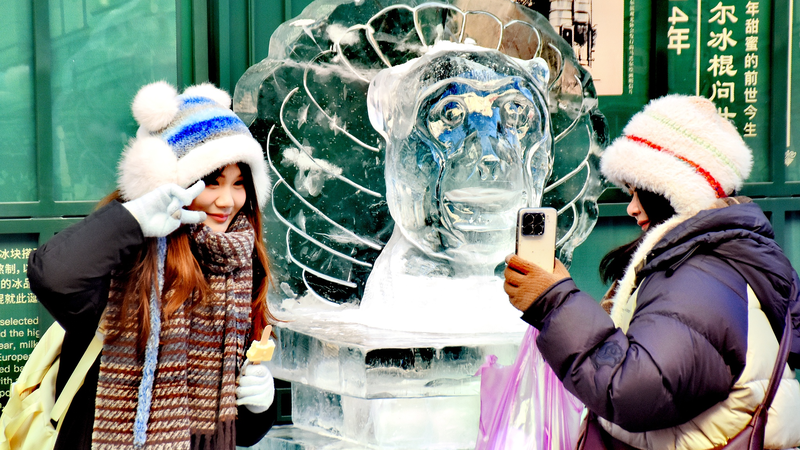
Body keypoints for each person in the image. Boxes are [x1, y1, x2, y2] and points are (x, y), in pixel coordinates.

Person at [503, 94, 800, 449]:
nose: (631, 208)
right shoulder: (711, 261)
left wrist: (554, 303)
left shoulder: (701, 274)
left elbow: (636, 389)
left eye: (639, 192)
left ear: (673, 190)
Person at [28, 81, 277, 450]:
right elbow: (53, 276)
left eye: (239, 184)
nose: (227, 201)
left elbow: (241, 433)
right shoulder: (126, 258)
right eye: (212, 183)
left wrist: (260, 406)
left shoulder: (238, 265)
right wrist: (130, 219)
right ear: (172, 179)